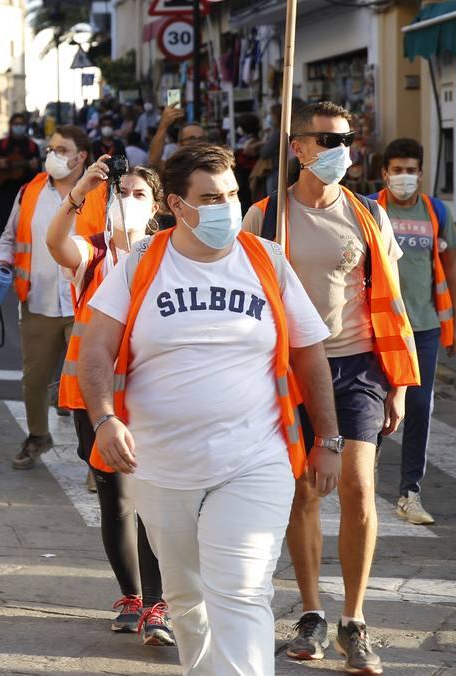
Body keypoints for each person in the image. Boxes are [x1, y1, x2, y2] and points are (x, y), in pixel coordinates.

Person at [81, 142, 342, 676]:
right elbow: (95, 350)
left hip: (254, 460)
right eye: (210, 197)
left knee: (242, 591)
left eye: (231, 194)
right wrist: (104, 418)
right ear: (177, 205)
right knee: (186, 599)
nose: (226, 206)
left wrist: (329, 439)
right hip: (161, 466)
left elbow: (310, 353)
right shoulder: (140, 264)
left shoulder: (266, 260)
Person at [241, 101, 419, 675]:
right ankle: (313, 613)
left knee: (358, 487)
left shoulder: (368, 213)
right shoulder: (265, 219)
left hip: (357, 365)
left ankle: (355, 619)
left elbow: (391, 299)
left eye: (346, 140)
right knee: (304, 489)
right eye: (326, 140)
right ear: (298, 147)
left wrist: (399, 382)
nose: (340, 150)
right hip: (290, 368)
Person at [46, 156, 174, 647]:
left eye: (141, 195)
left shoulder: (167, 254)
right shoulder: (93, 252)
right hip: (95, 398)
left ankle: (159, 604)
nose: (129, 202)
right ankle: (133, 597)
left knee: (154, 498)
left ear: (159, 207)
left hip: (152, 395)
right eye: (123, 193)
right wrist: (81, 191)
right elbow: (57, 243)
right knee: (116, 499)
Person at [0, 125, 89, 469]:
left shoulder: (101, 194)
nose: (53, 155)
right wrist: (2, 262)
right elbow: (8, 237)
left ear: (82, 157)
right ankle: (38, 436)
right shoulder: (30, 191)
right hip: (38, 302)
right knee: (34, 380)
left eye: (62, 149)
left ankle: (95, 459)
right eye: (51, 148)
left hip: (87, 304)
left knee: (88, 383)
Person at [378, 138, 456, 527]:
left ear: (421, 173)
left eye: (411, 170)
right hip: (380, 327)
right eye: (397, 170)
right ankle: (364, 477)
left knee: (419, 411)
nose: (404, 177)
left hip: (424, 328)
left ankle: (410, 493)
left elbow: (450, 268)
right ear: (384, 173)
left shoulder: (436, 212)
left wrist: (454, 323)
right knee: (373, 407)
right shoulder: (371, 208)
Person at [0, 113, 42, 232]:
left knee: (25, 228)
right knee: (5, 226)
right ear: (10, 126)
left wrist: (33, 168)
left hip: (24, 193)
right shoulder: (2, 144)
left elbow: (38, 175)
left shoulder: (32, 147)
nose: (19, 127)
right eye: (16, 124)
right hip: (5, 191)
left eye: (21, 124)